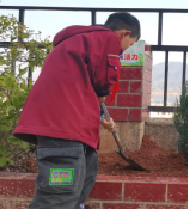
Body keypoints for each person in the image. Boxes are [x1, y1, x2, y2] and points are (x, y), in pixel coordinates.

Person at [13, 12, 141, 209]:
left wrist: (100, 116)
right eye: (129, 44)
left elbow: (82, 86)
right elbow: (104, 79)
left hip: (67, 126)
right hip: (62, 129)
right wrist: (103, 94)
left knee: (86, 172)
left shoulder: (81, 42)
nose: (124, 50)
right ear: (124, 34)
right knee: (58, 195)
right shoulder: (107, 38)